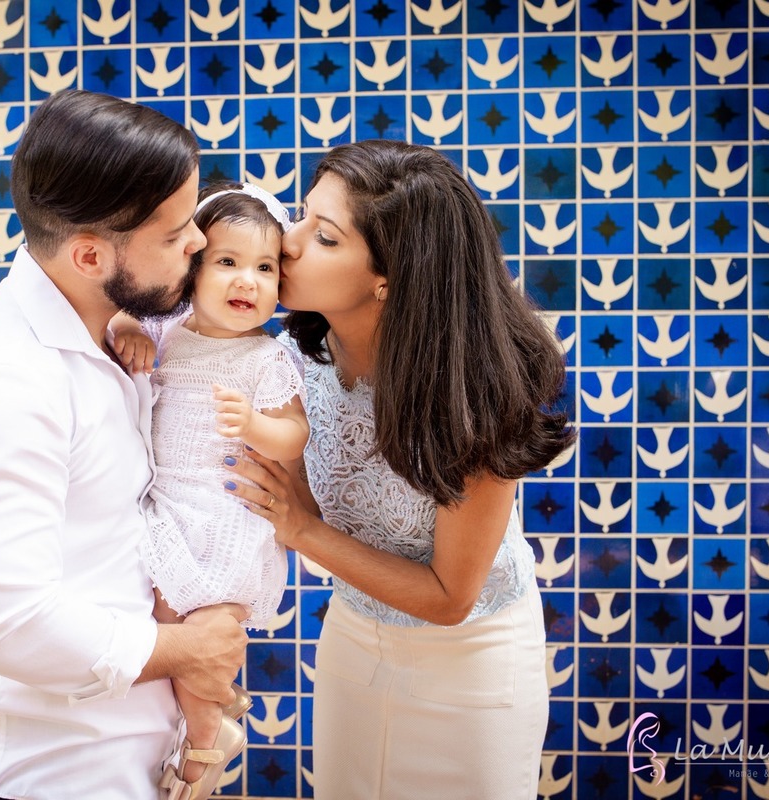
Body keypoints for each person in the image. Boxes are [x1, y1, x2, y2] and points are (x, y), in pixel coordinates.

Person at [0, 90, 248, 800]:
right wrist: (191, 649)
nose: (199, 243)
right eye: (176, 231)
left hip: (123, 770)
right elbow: (9, 624)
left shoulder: (108, 333)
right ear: (90, 254)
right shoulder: (4, 382)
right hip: (45, 781)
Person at [223, 140, 574, 799]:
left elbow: (450, 598)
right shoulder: (296, 360)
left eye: (323, 237)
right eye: (300, 217)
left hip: (473, 668)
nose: (288, 242)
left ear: (389, 275)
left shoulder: (476, 393)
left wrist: (300, 530)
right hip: (355, 643)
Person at [112, 182, 309, 800]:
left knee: (211, 624)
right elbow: (116, 315)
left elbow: (294, 435)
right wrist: (125, 324)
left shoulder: (266, 358)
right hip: (170, 505)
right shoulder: (167, 332)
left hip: (227, 515)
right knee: (171, 620)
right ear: (191, 273)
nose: (247, 281)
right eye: (228, 262)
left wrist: (256, 427)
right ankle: (211, 710)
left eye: (264, 268)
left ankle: (202, 750)